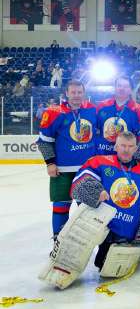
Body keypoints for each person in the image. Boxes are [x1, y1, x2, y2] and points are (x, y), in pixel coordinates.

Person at [71, 131, 140, 272]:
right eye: (122, 145)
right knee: (97, 262)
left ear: (136, 149)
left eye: (130, 146)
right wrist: (96, 192)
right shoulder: (100, 161)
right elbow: (76, 186)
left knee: (112, 268)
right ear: (115, 147)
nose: (126, 149)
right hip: (103, 226)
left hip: (128, 230)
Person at [37, 80, 97, 238]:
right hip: (62, 170)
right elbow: (43, 141)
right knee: (61, 205)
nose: (76, 95)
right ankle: (59, 240)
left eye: (79, 92)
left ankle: (84, 241)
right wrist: (50, 163)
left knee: (86, 208)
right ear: (67, 93)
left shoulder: (92, 110)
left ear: (84, 93)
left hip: (86, 170)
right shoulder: (54, 112)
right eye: (73, 92)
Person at [96, 75, 140, 161]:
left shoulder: (139, 110)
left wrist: (138, 159)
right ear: (115, 87)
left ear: (131, 90)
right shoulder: (101, 106)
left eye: (126, 86)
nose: (121, 89)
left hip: (126, 159)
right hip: (103, 156)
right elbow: (93, 130)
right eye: (119, 85)